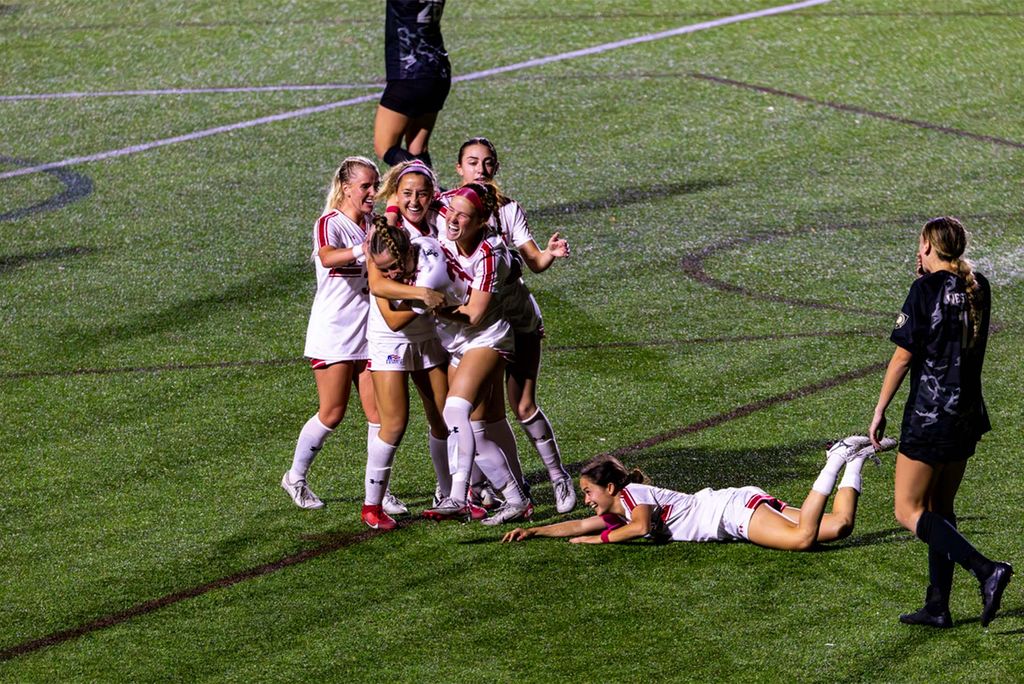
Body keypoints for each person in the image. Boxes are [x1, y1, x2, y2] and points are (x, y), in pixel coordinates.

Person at [869, 216, 1012, 629]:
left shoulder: (924, 290)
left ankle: (986, 570)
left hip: (930, 418)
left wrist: (879, 410)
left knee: (907, 510)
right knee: (940, 509)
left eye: (920, 245)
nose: (917, 251)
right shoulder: (978, 287)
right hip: (966, 417)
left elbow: (903, 356)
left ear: (930, 246)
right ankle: (937, 606)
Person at [439, 137, 575, 513]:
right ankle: (503, 490)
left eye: (486, 163)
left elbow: (533, 262)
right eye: (472, 162)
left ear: (495, 169)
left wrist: (548, 254)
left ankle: (557, 475)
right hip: (477, 327)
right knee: (481, 415)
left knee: (523, 405)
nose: (480, 169)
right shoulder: (447, 207)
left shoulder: (506, 210)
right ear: (459, 168)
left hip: (514, 320)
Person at [502, 437, 896, 548]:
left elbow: (639, 528)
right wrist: (535, 532)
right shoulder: (619, 503)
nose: (587, 500)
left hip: (730, 513)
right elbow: (580, 522)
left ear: (609, 487)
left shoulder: (631, 498)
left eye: (588, 491)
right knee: (840, 527)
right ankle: (855, 459)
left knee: (803, 538)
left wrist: (598, 539)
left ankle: (835, 458)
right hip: (736, 501)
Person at [423, 182, 533, 525]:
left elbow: (474, 314)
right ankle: (517, 500)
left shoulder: (490, 253)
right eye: (451, 212)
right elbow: (420, 195)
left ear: (482, 220)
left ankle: (458, 496)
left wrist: (431, 307)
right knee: (477, 428)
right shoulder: (445, 215)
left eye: (463, 216)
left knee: (454, 409)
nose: (453, 220)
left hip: (487, 337)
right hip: (457, 341)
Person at [282, 156, 381, 510]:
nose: (373, 192)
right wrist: (362, 250)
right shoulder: (330, 223)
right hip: (335, 332)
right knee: (332, 413)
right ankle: (295, 477)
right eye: (365, 186)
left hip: (370, 334)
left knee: (379, 416)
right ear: (345, 187)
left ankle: (378, 490)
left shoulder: (373, 223)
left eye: (375, 185)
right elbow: (326, 257)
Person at [361, 218, 461, 530]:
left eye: (394, 267)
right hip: (388, 342)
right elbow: (392, 319)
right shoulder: (382, 254)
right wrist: (421, 296)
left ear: (407, 253)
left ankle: (448, 495)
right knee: (394, 424)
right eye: (384, 269)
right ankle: (372, 506)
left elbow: (391, 291)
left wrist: (419, 293)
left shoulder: (429, 262)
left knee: (444, 418)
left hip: (427, 339)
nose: (391, 274)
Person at [374, 0, 451, 168]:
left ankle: (433, 189)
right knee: (417, 148)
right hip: (439, 72)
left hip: (408, 73)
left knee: (385, 147)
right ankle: (430, 191)